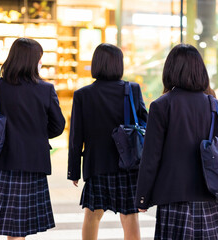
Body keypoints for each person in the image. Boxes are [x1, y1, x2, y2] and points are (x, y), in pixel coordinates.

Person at [136, 44, 218, 239]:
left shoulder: (161, 105)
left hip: (173, 195)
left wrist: (142, 198)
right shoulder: (213, 104)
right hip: (208, 194)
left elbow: (151, 157)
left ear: (170, 70)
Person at [0, 38, 65, 240]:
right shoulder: (45, 89)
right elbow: (58, 126)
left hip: (3, 160)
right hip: (33, 163)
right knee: (20, 229)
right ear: (34, 60)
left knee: (13, 228)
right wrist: (36, 134)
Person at [67, 43, 148, 240]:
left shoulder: (82, 95)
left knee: (92, 216)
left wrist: (74, 170)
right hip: (127, 165)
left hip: (97, 165)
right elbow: (145, 125)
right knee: (130, 217)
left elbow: (76, 136)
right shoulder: (132, 90)